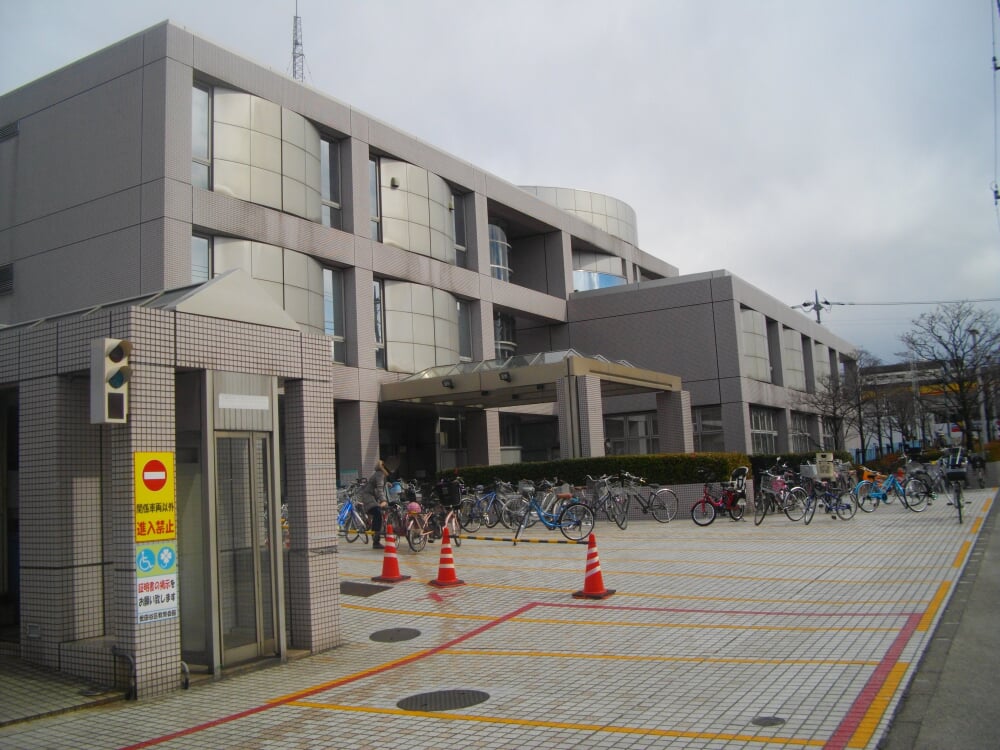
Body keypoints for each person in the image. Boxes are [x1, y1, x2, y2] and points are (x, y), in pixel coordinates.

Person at [359, 458, 389, 549]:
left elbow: (377, 486)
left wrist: (388, 484)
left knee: (377, 513)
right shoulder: (380, 474)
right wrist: (384, 500)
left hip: (370, 497)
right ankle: (376, 541)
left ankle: (372, 528)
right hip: (368, 497)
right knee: (378, 513)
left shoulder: (378, 473)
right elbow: (379, 489)